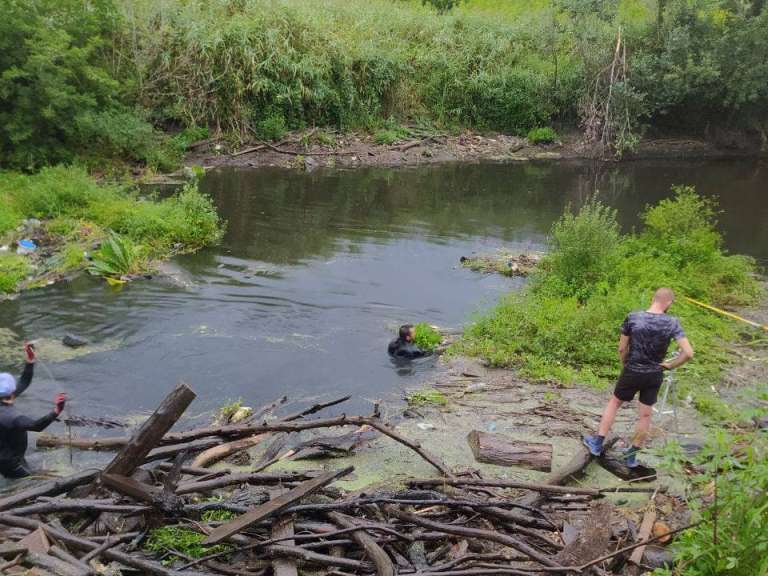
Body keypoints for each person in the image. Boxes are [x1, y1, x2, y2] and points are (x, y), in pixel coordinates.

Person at [583, 288, 694, 467]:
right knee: (645, 415)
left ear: (653, 299)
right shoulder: (672, 322)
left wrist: (624, 363)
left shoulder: (633, 317)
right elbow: (688, 353)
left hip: (632, 370)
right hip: (654, 373)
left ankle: (597, 443)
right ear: (669, 303)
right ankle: (632, 455)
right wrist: (670, 365)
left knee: (614, 403)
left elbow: (621, 348)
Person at [0, 343, 66, 478]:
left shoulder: (4, 398)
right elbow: (36, 426)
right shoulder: (10, 416)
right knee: (34, 481)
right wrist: (56, 411)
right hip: (8, 462)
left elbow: (23, 381)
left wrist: (30, 361)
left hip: (9, 452)